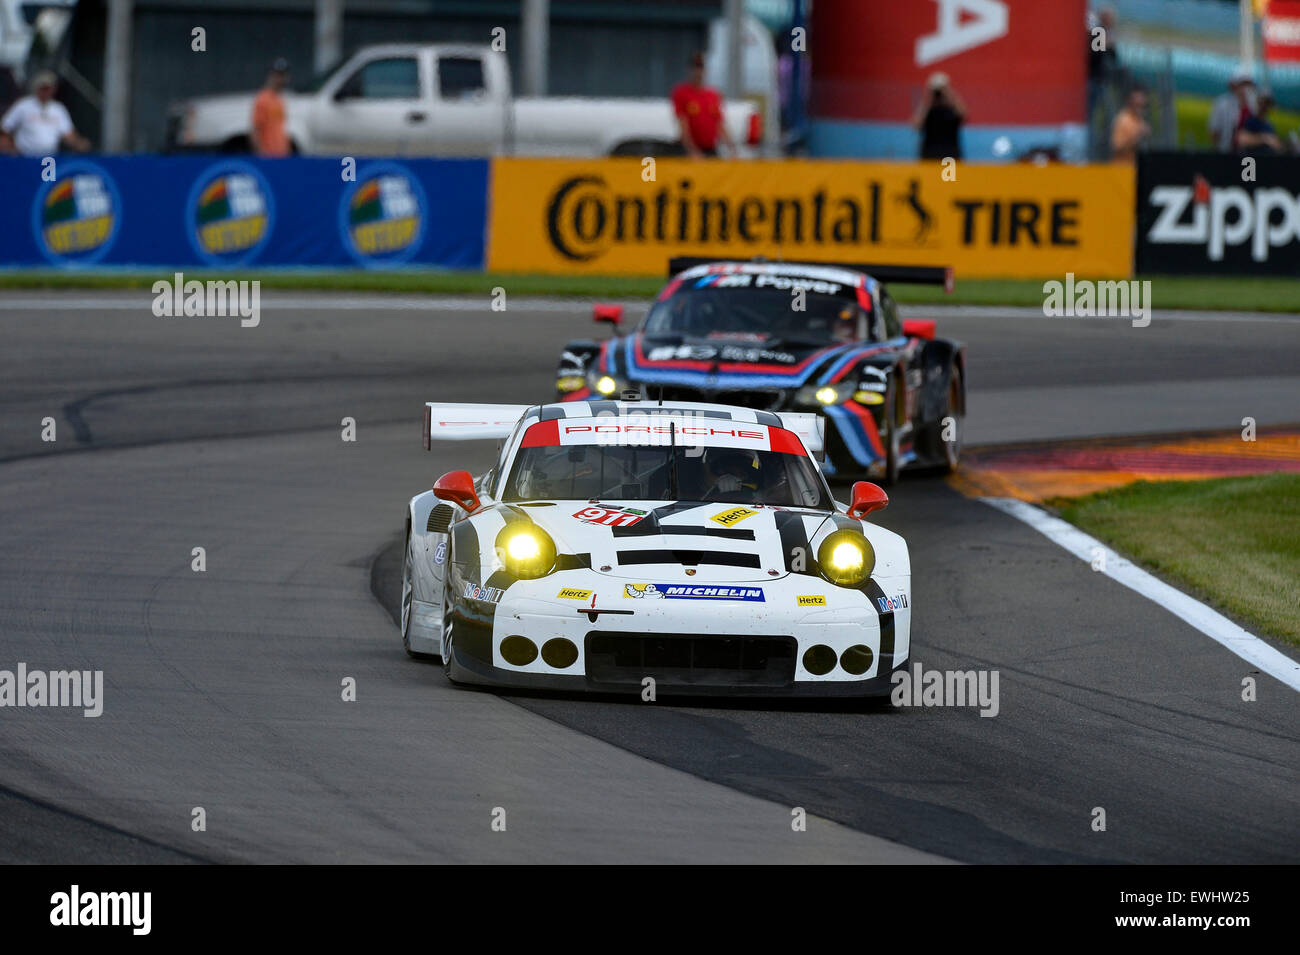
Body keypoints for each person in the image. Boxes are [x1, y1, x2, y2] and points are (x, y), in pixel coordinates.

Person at [0, 71, 90, 156]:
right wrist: (11, 147)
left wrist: (79, 143)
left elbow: (68, 134)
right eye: (44, 88)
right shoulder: (23, 105)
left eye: (49, 88)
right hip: (25, 157)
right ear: (37, 88)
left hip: (49, 158)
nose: (47, 92)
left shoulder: (58, 109)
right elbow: (5, 128)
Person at [671, 52, 734, 158]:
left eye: (700, 68)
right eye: (695, 67)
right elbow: (683, 124)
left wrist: (731, 148)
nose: (698, 72)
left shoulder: (713, 95)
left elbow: (719, 125)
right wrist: (692, 150)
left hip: (710, 149)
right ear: (689, 70)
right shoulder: (682, 93)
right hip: (691, 150)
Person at [912, 72, 966, 160]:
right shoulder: (928, 111)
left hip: (950, 158)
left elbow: (964, 115)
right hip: (930, 156)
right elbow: (916, 125)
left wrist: (949, 93)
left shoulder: (952, 111)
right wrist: (928, 98)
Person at [251, 58, 292, 157]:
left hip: (281, 154)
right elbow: (256, 129)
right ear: (271, 76)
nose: (280, 79)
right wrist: (261, 153)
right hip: (268, 155)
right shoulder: (263, 99)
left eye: (282, 75)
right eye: (277, 75)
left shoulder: (280, 99)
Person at [1208, 69, 1256, 152]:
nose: (1245, 88)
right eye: (1242, 84)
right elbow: (1214, 130)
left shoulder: (1253, 104)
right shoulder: (1222, 103)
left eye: (1247, 84)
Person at [1109, 85, 1150, 162]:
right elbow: (1116, 147)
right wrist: (1137, 136)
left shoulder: (1140, 121)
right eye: (1137, 104)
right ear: (1130, 102)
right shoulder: (1122, 120)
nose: (1140, 106)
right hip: (1122, 170)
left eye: (1142, 105)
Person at [1237, 88, 1284, 155]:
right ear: (1258, 103)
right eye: (1262, 103)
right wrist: (1264, 139)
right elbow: (1242, 140)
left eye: (1267, 104)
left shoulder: (1269, 124)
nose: (1264, 106)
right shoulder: (1251, 121)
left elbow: (1276, 144)